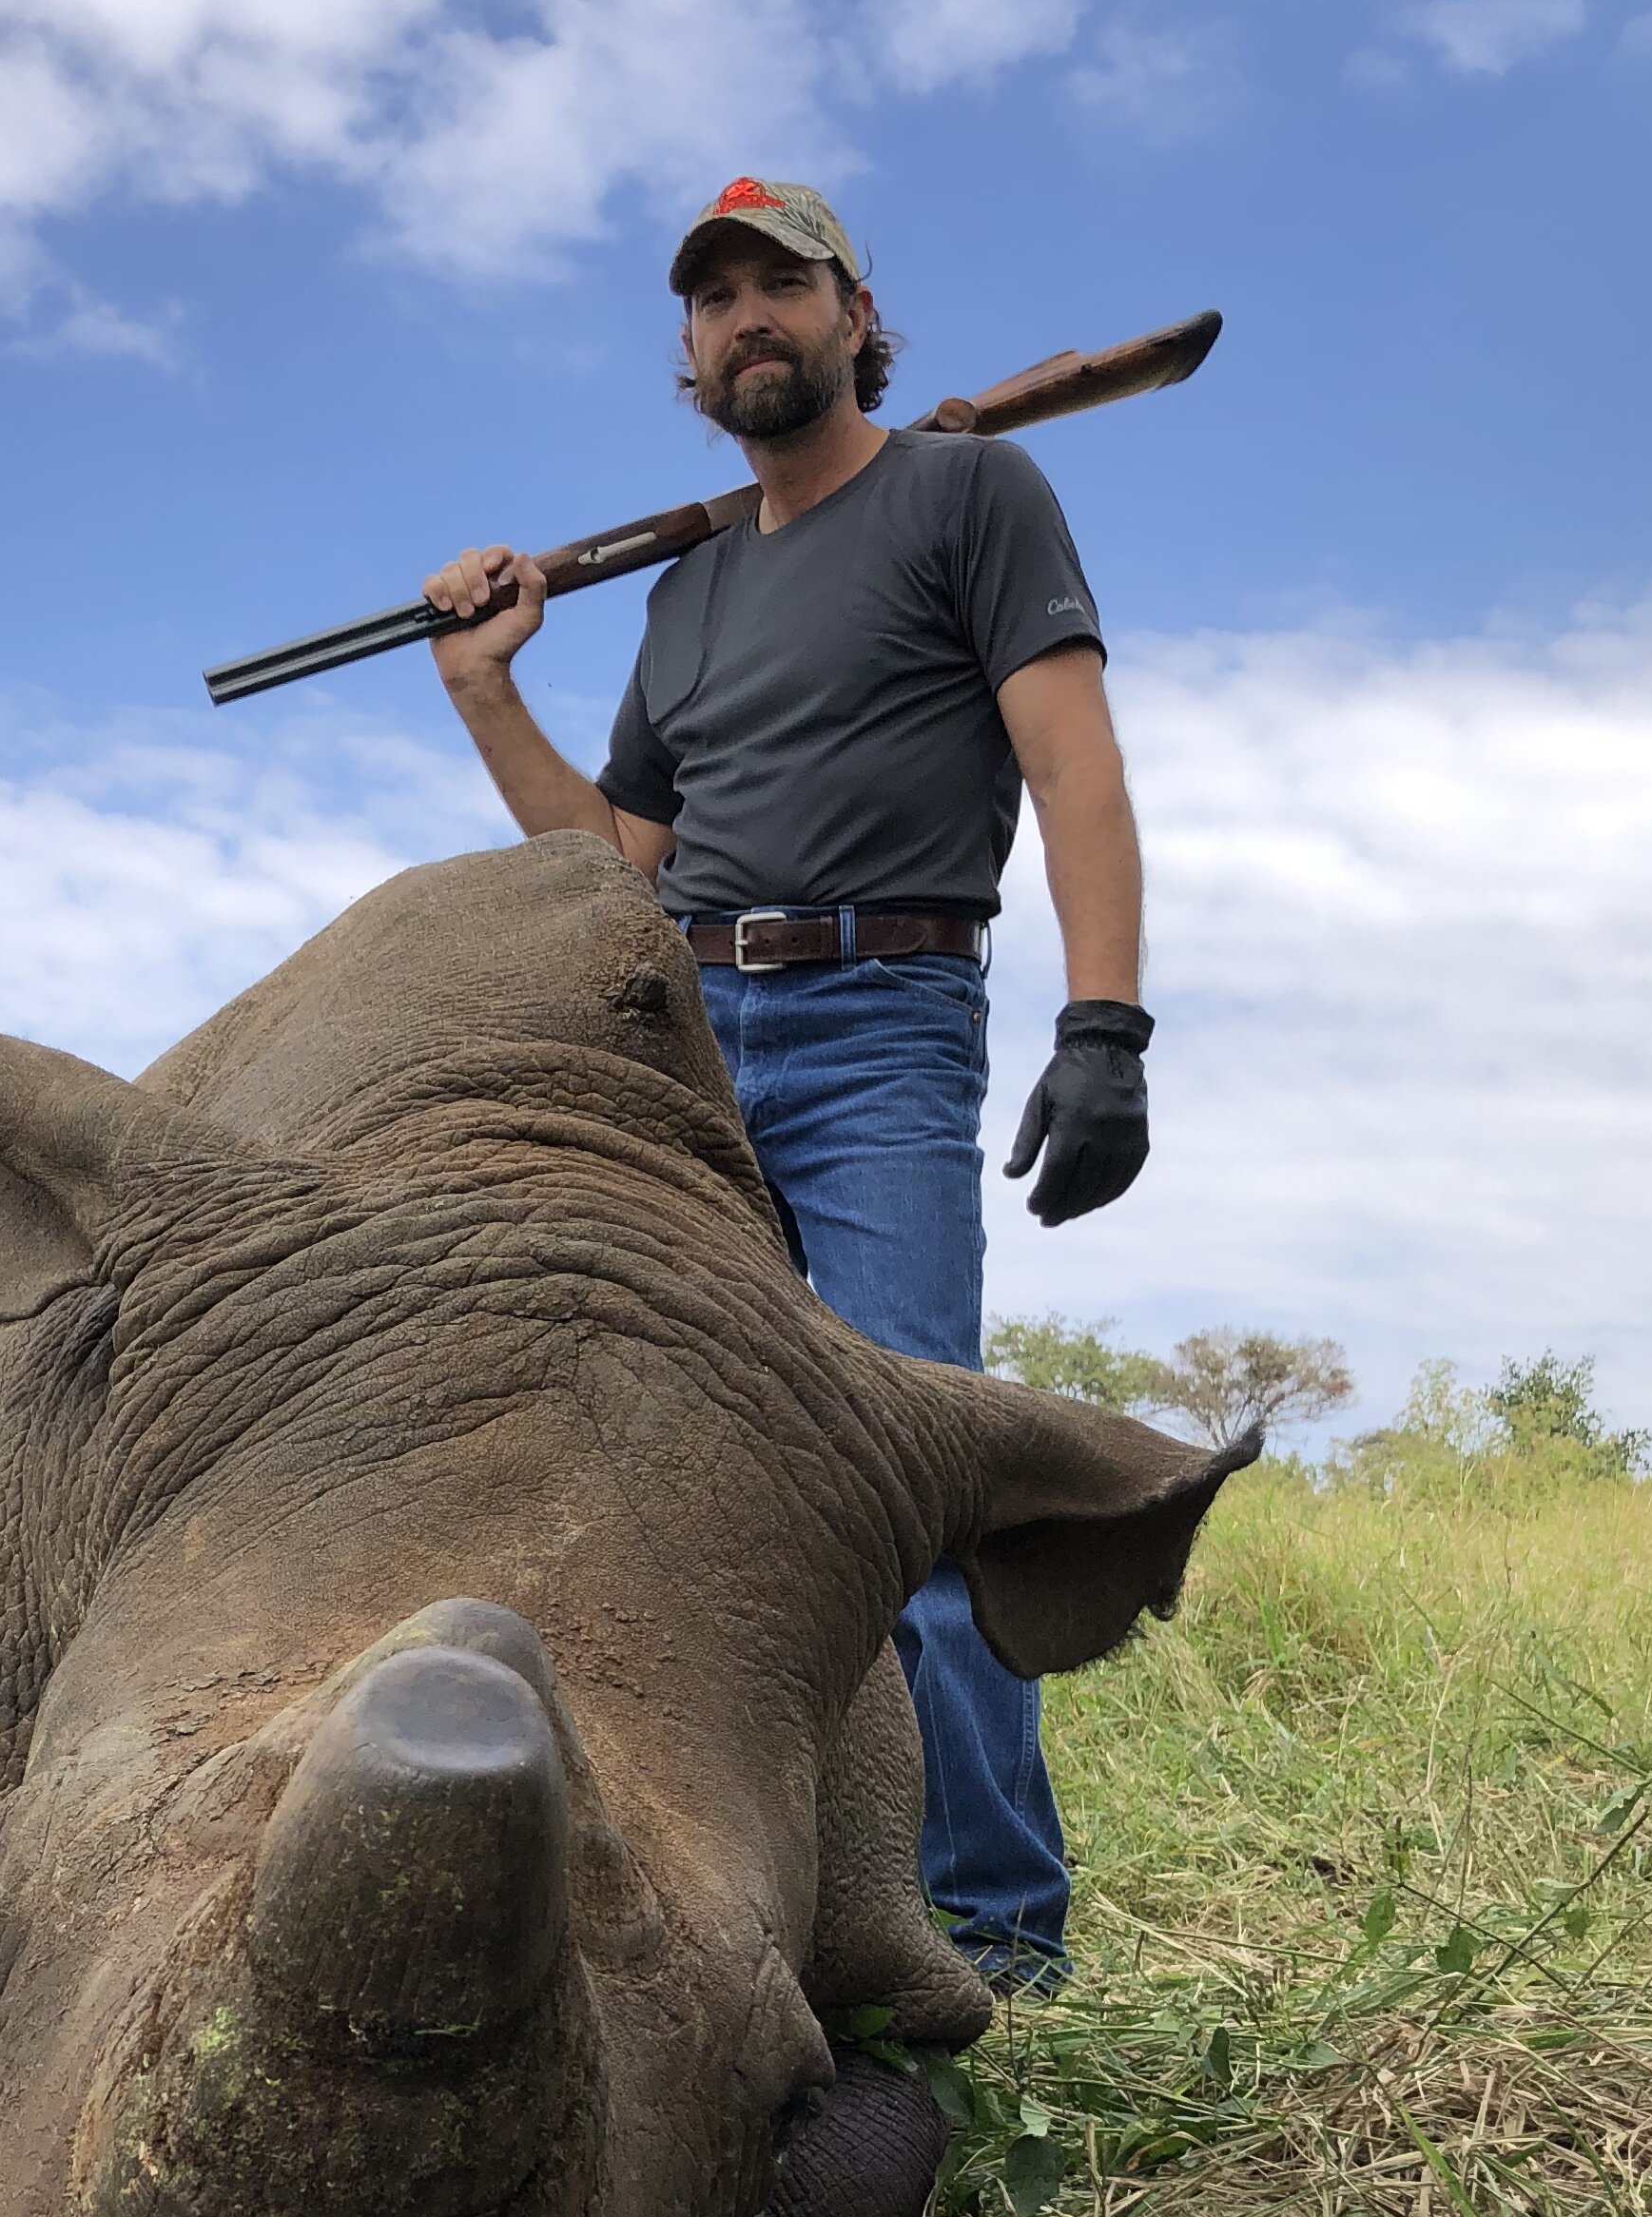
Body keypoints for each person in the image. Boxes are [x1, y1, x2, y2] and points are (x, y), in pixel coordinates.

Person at [423, 175, 1153, 1993]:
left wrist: (1108, 1026)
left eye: (783, 284)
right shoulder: (686, 597)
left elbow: (1071, 768)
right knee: (666, 1484)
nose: (749, 316)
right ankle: (715, 1906)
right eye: (715, 296)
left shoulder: (971, 495)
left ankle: (996, 1934)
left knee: (907, 1477)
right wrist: (484, 693)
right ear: (689, 349)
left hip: (886, 1019)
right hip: (688, 1037)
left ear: (853, 313)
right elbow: (618, 871)